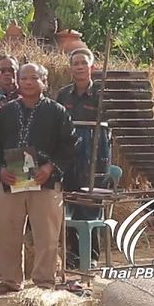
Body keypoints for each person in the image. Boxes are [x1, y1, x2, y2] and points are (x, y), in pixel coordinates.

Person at [0, 63, 78, 294]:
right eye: (23, 78)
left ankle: (44, 281)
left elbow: (70, 144)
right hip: (12, 182)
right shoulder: (5, 111)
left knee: (46, 235)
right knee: (6, 233)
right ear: (18, 82)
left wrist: (50, 168)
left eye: (33, 78)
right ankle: (10, 280)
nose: (28, 82)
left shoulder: (57, 112)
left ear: (44, 82)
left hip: (44, 182)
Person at [56, 48, 111, 270]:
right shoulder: (63, 94)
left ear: (92, 68)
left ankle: (91, 255)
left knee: (90, 202)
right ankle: (71, 254)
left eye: (83, 63)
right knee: (68, 201)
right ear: (70, 69)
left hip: (95, 152)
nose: (79, 67)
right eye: (75, 63)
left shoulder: (102, 94)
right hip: (69, 153)